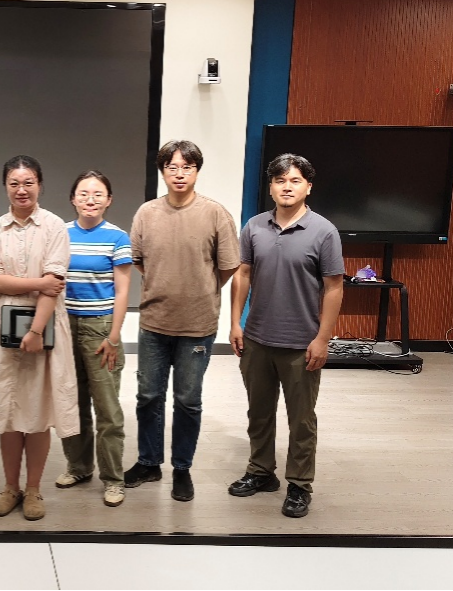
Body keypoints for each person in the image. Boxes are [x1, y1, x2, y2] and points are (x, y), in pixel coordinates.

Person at [229, 153, 344, 518]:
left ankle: (299, 484)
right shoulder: (254, 227)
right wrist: (235, 323)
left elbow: (334, 287)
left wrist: (322, 338)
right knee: (259, 413)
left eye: (295, 181)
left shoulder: (324, 231)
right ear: (271, 187)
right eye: (280, 181)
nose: (287, 187)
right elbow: (242, 274)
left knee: (302, 420)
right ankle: (261, 471)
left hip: (301, 343)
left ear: (308, 186)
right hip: (257, 339)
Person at [126, 140, 239, 502]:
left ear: (196, 171)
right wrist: (167, 284)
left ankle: (182, 468)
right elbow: (139, 260)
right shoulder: (146, 213)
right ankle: (148, 462)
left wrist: (200, 288)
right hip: (154, 323)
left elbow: (228, 267)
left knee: (188, 401)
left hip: (197, 326)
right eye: (172, 167)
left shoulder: (215, 214)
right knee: (148, 396)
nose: (179, 174)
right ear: (162, 171)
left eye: (186, 167)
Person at [0, 155, 77, 522]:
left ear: (39, 185)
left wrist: (35, 330)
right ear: (5, 187)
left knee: (38, 412)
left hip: (43, 328)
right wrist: (38, 282)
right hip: (0, 328)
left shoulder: (54, 226)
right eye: (14, 183)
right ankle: (10, 486)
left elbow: (54, 285)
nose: (21, 189)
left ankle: (33, 489)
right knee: (9, 412)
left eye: (28, 182)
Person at [56, 170, 132, 508]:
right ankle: (79, 467)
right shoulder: (60, 234)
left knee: (107, 409)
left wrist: (114, 336)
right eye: (84, 193)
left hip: (100, 328)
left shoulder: (117, 237)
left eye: (98, 194)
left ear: (109, 200)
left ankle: (113, 479)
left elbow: (123, 290)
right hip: (64, 328)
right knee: (71, 403)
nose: (90, 199)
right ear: (73, 199)